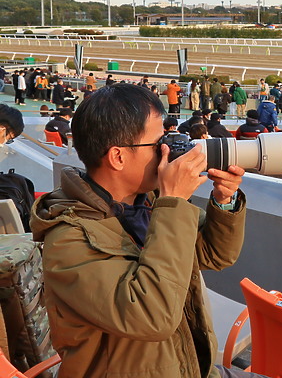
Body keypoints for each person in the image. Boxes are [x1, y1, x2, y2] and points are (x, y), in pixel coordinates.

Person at [29, 84, 263, 378]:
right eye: (157, 143)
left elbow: (215, 254)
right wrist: (174, 202)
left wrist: (223, 202)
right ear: (118, 157)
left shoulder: (148, 203)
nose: (167, 149)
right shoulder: (68, 237)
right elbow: (152, 317)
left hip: (189, 366)